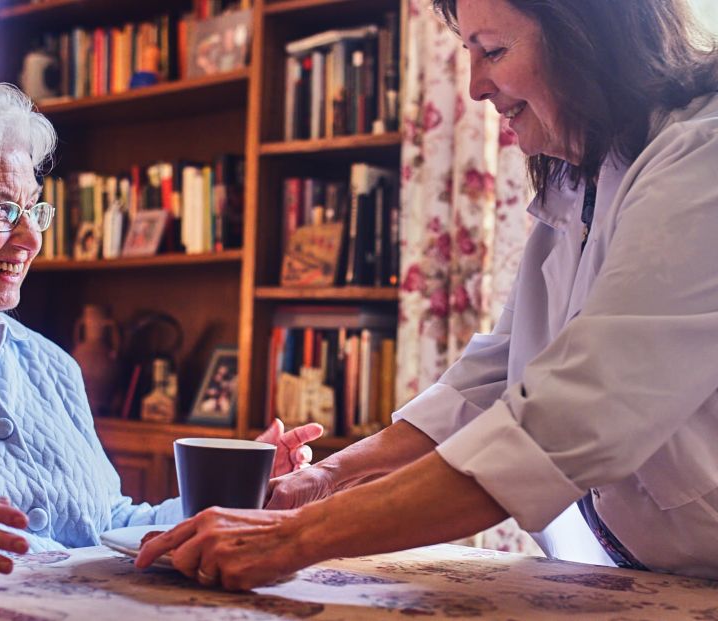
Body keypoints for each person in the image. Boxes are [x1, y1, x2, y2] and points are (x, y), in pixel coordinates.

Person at [138, 0, 718, 590]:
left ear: (591, 36)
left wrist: (294, 537)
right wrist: (321, 480)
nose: (474, 87)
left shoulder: (704, 158)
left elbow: (577, 414)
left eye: (492, 51)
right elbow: (493, 380)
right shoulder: (579, 181)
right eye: (468, 54)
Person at [0, 81, 323, 586]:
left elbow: (106, 521)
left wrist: (240, 492)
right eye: (1, 211)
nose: (30, 238)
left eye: (34, 210)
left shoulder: (48, 364)